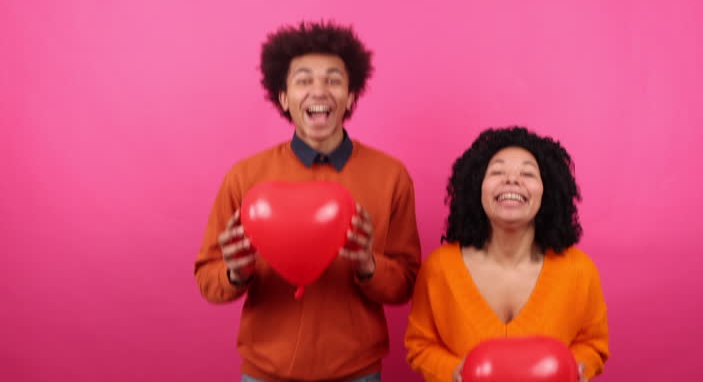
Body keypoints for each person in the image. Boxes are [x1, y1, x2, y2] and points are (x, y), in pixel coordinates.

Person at [194, 20, 422, 382]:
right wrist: (235, 272)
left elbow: (407, 282)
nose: (319, 90)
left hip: (356, 372)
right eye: (303, 80)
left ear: (351, 96)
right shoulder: (244, 177)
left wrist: (367, 265)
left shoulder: (391, 175)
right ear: (284, 98)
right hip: (265, 372)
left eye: (333, 79)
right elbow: (208, 277)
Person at [404, 127, 609, 382]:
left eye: (528, 173)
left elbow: (593, 343)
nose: (512, 180)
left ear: (548, 191)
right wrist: (453, 372)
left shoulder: (580, 270)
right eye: (497, 171)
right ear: (477, 187)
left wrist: (579, 367)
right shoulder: (439, 268)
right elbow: (420, 344)